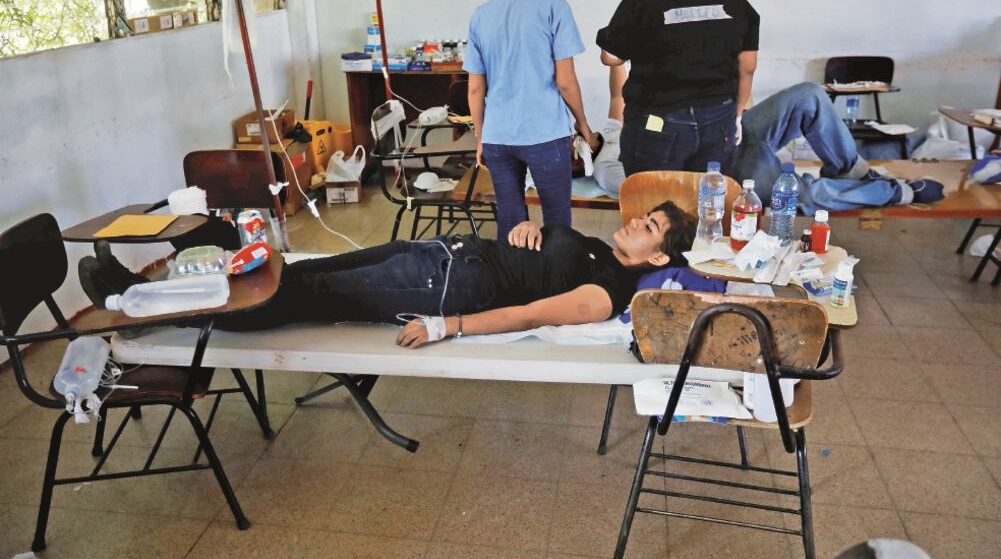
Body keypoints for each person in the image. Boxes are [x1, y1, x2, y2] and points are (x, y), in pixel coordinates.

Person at [79, 201, 698, 349]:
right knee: (306, 268)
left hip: (448, 287)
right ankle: (146, 292)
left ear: (658, 258)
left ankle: (138, 309)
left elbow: (528, 315)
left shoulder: (606, 294)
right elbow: (541, 254)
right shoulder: (598, 249)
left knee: (305, 293)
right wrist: (529, 228)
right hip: (443, 253)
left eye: (648, 227)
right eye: (643, 216)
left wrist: (446, 326)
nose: (634, 222)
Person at [593, 72, 944, 213]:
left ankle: (854, 170)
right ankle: (893, 192)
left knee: (809, 96)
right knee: (797, 195)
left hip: (735, 129)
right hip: (728, 168)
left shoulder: (608, 130)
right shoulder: (608, 170)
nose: (574, 143)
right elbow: (666, 185)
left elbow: (617, 92)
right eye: (572, 149)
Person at [596, 0, 759, 177]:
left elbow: (610, 57)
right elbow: (747, 67)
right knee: (707, 198)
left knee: (653, 199)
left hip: (657, 125)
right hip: (718, 121)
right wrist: (737, 115)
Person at [463, 0, 596, 240]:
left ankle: (514, 270)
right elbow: (566, 82)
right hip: (545, 135)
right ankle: (556, 269)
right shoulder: (554, 7)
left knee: (510, 220)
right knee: (557, 221)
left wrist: (481, 137)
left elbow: (476, 88)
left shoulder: (481, 15)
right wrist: (583, 125)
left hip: (498, 136)